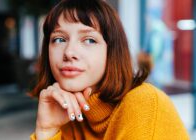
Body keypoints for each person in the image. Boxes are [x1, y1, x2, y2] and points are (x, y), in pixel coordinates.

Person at [30, 0, 189, 139]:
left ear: (111, 51)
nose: (69, 52)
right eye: (59, 39)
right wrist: (46, 130)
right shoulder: (65, 113)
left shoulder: (143, 104)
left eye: (89, 40)